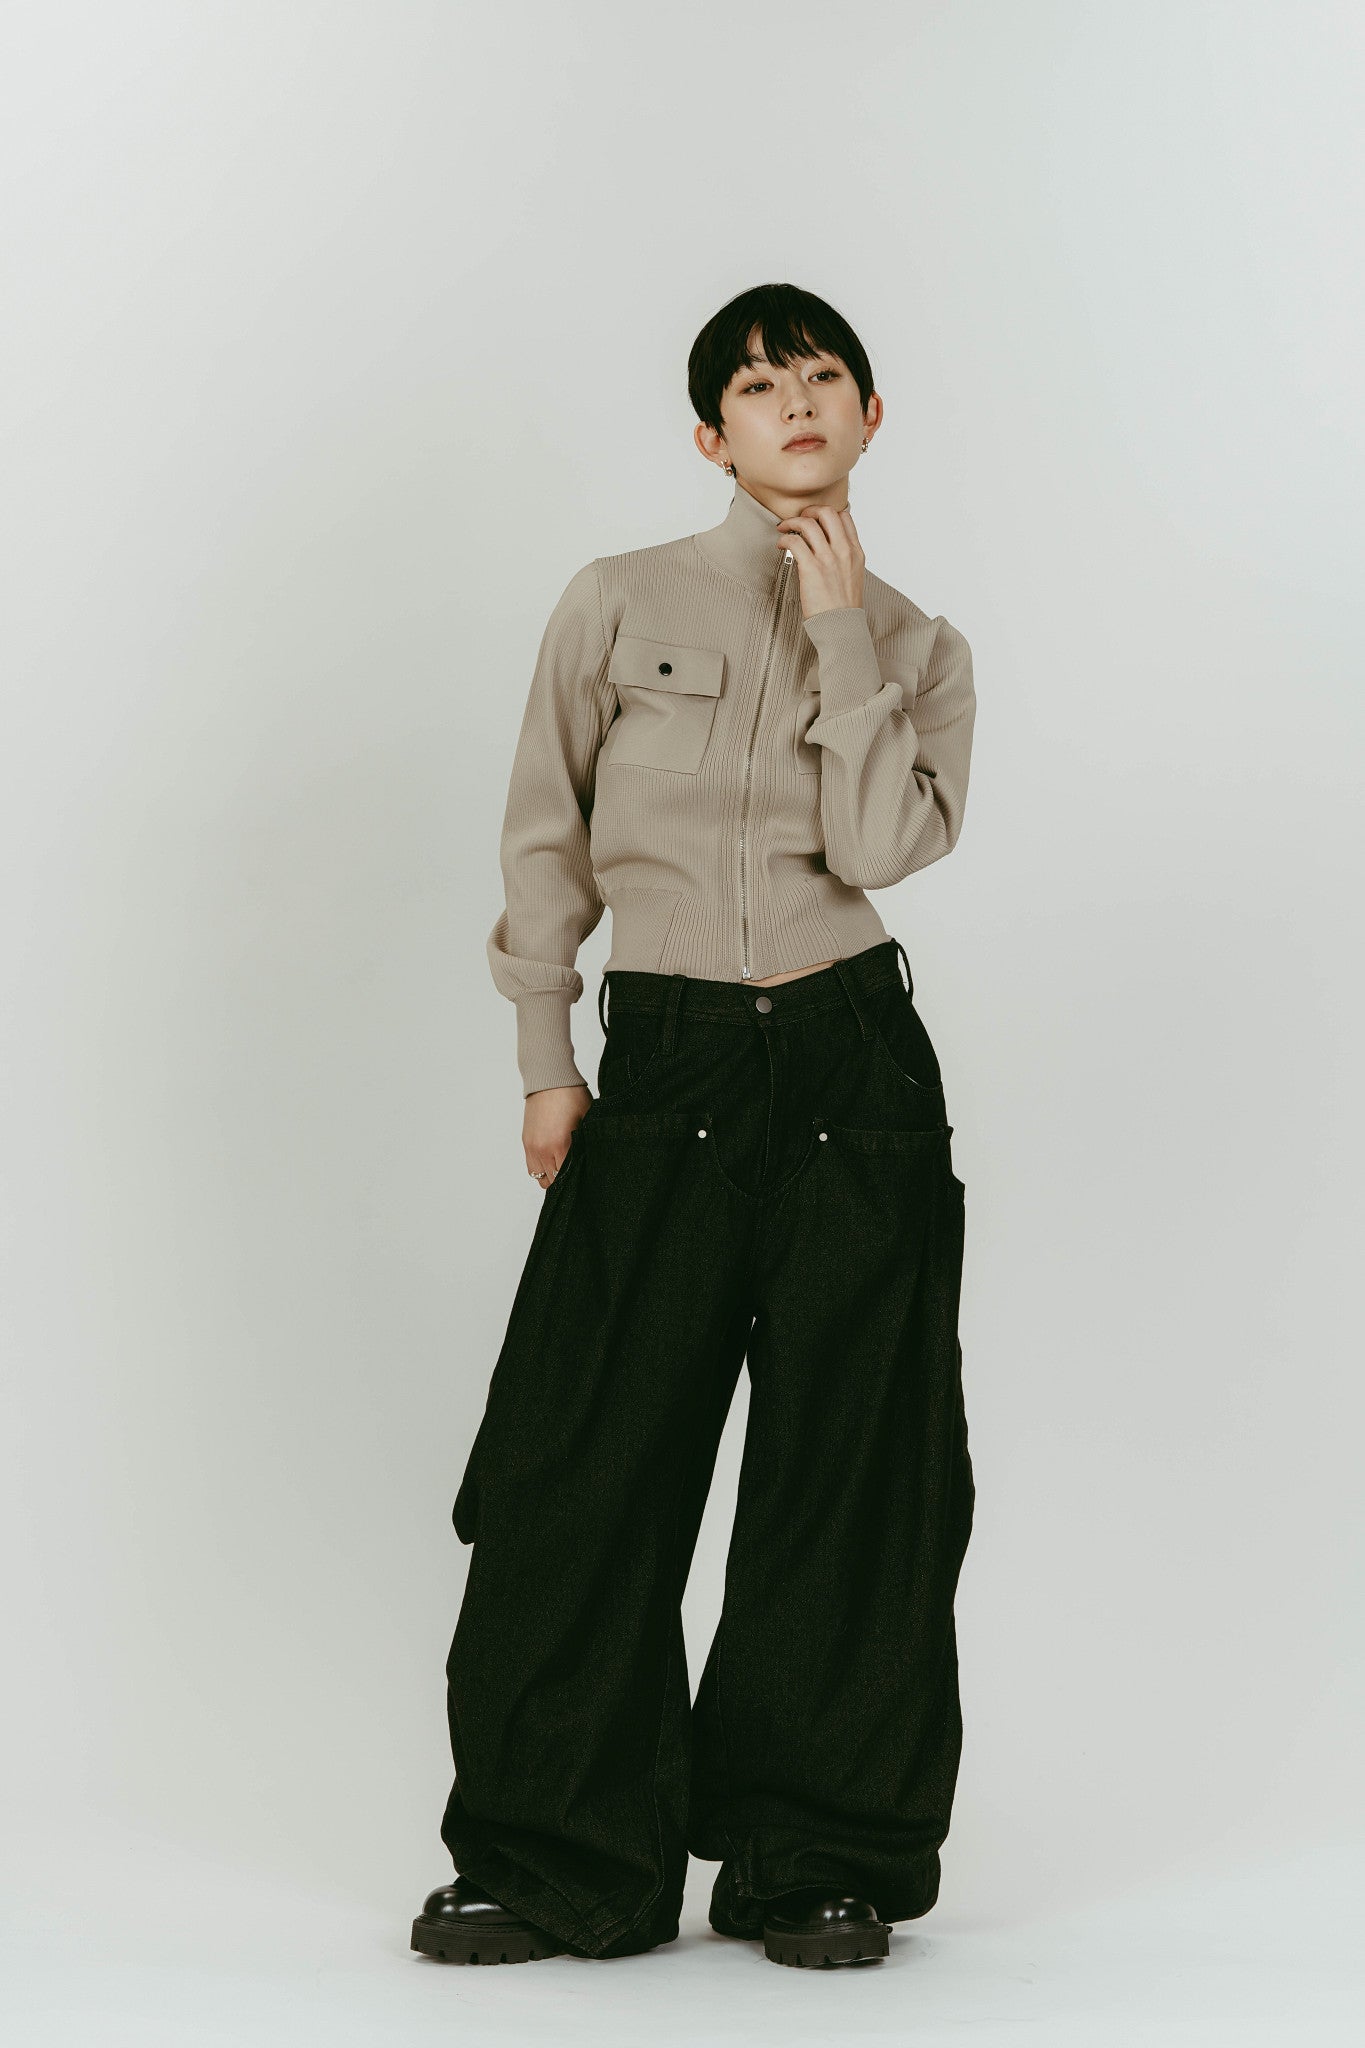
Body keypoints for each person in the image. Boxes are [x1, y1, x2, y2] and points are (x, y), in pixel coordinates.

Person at [410, 281, 978, 1971]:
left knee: (854, 1471)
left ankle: (814, 1856)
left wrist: (844, 630)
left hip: (853, 1071)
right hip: (664, 1066)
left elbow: (879, 850)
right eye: (753, 384)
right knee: (581, 1460)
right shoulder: (617, 599)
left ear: (870, 416)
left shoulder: (923, 649)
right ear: (708, 436)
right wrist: (546, 1054)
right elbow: (544, 832)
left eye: (821, 376)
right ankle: (553, 1857)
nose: (791, 400)